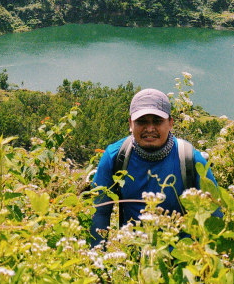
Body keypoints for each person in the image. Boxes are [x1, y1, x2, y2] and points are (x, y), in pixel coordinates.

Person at [88, 88, 219, 246]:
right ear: (130, 123)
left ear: (170, 123)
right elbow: (100, 213)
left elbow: (215, 216)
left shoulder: (190, 159)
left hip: (181, 263)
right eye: (142, 121)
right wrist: (98, 263)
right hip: (132, 260)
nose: (149, 129)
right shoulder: (115, 157)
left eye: (157, 121)